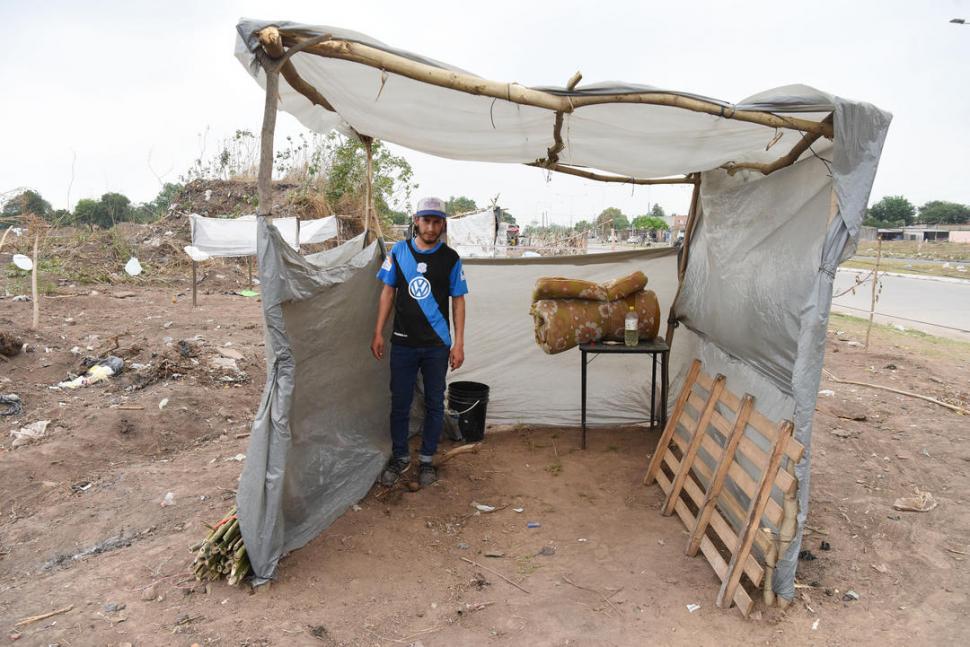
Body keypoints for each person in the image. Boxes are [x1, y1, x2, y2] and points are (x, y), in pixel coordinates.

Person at [371, 196, 468, 487]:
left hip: (437, 345)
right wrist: (378, 332)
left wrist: (459, 343)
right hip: (402, 343)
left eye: (436, 221)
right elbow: (388, 293)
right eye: (426, 220)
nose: (430, 226)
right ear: (416, 220)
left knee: (435, 403)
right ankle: (400, 457)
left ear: (442, 224)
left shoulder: (451, 259)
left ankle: (427, 460)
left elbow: (458, 302)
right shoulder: (398, 252)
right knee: (400, 403)